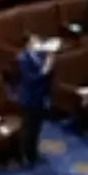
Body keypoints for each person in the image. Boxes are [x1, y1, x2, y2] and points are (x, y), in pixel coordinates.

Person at [15, 34, 54, 167]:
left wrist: (50, 64)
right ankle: (23, 155)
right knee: (28, 128)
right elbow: (30, 79)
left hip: (40, 97)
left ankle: (33, 152)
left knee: (37, 127)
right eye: (35, 42)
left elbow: (48, 78)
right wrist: (45, 70)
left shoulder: (42, 56)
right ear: (28, 44)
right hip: (29, 97)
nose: (38, 44)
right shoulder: (23, 58)